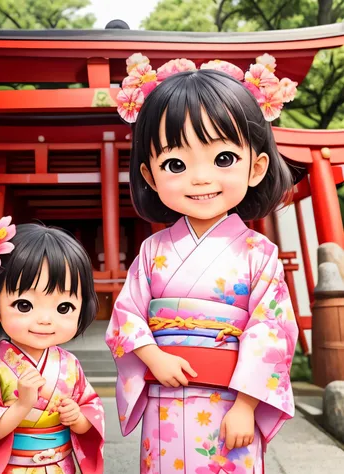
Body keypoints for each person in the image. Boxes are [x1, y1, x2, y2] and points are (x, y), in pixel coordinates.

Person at [106, 53, 301, 473]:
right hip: (163, 392)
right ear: (150, 175)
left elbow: (272, 331)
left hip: (231, 397)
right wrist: (154, 358)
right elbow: (125, 316)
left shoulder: (258, 253)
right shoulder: (154, 251)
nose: (199, 177)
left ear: (257, 166)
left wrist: (248, 404)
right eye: (175, 164)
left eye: (223, 158)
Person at [0, 218, 104, 474]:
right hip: (12, 467)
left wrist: (77, 418)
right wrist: (22, 407)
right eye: (24, 305)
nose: (45, 319)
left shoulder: (70, 365)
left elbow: (92, 412)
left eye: (63, 307)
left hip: (60, 466)